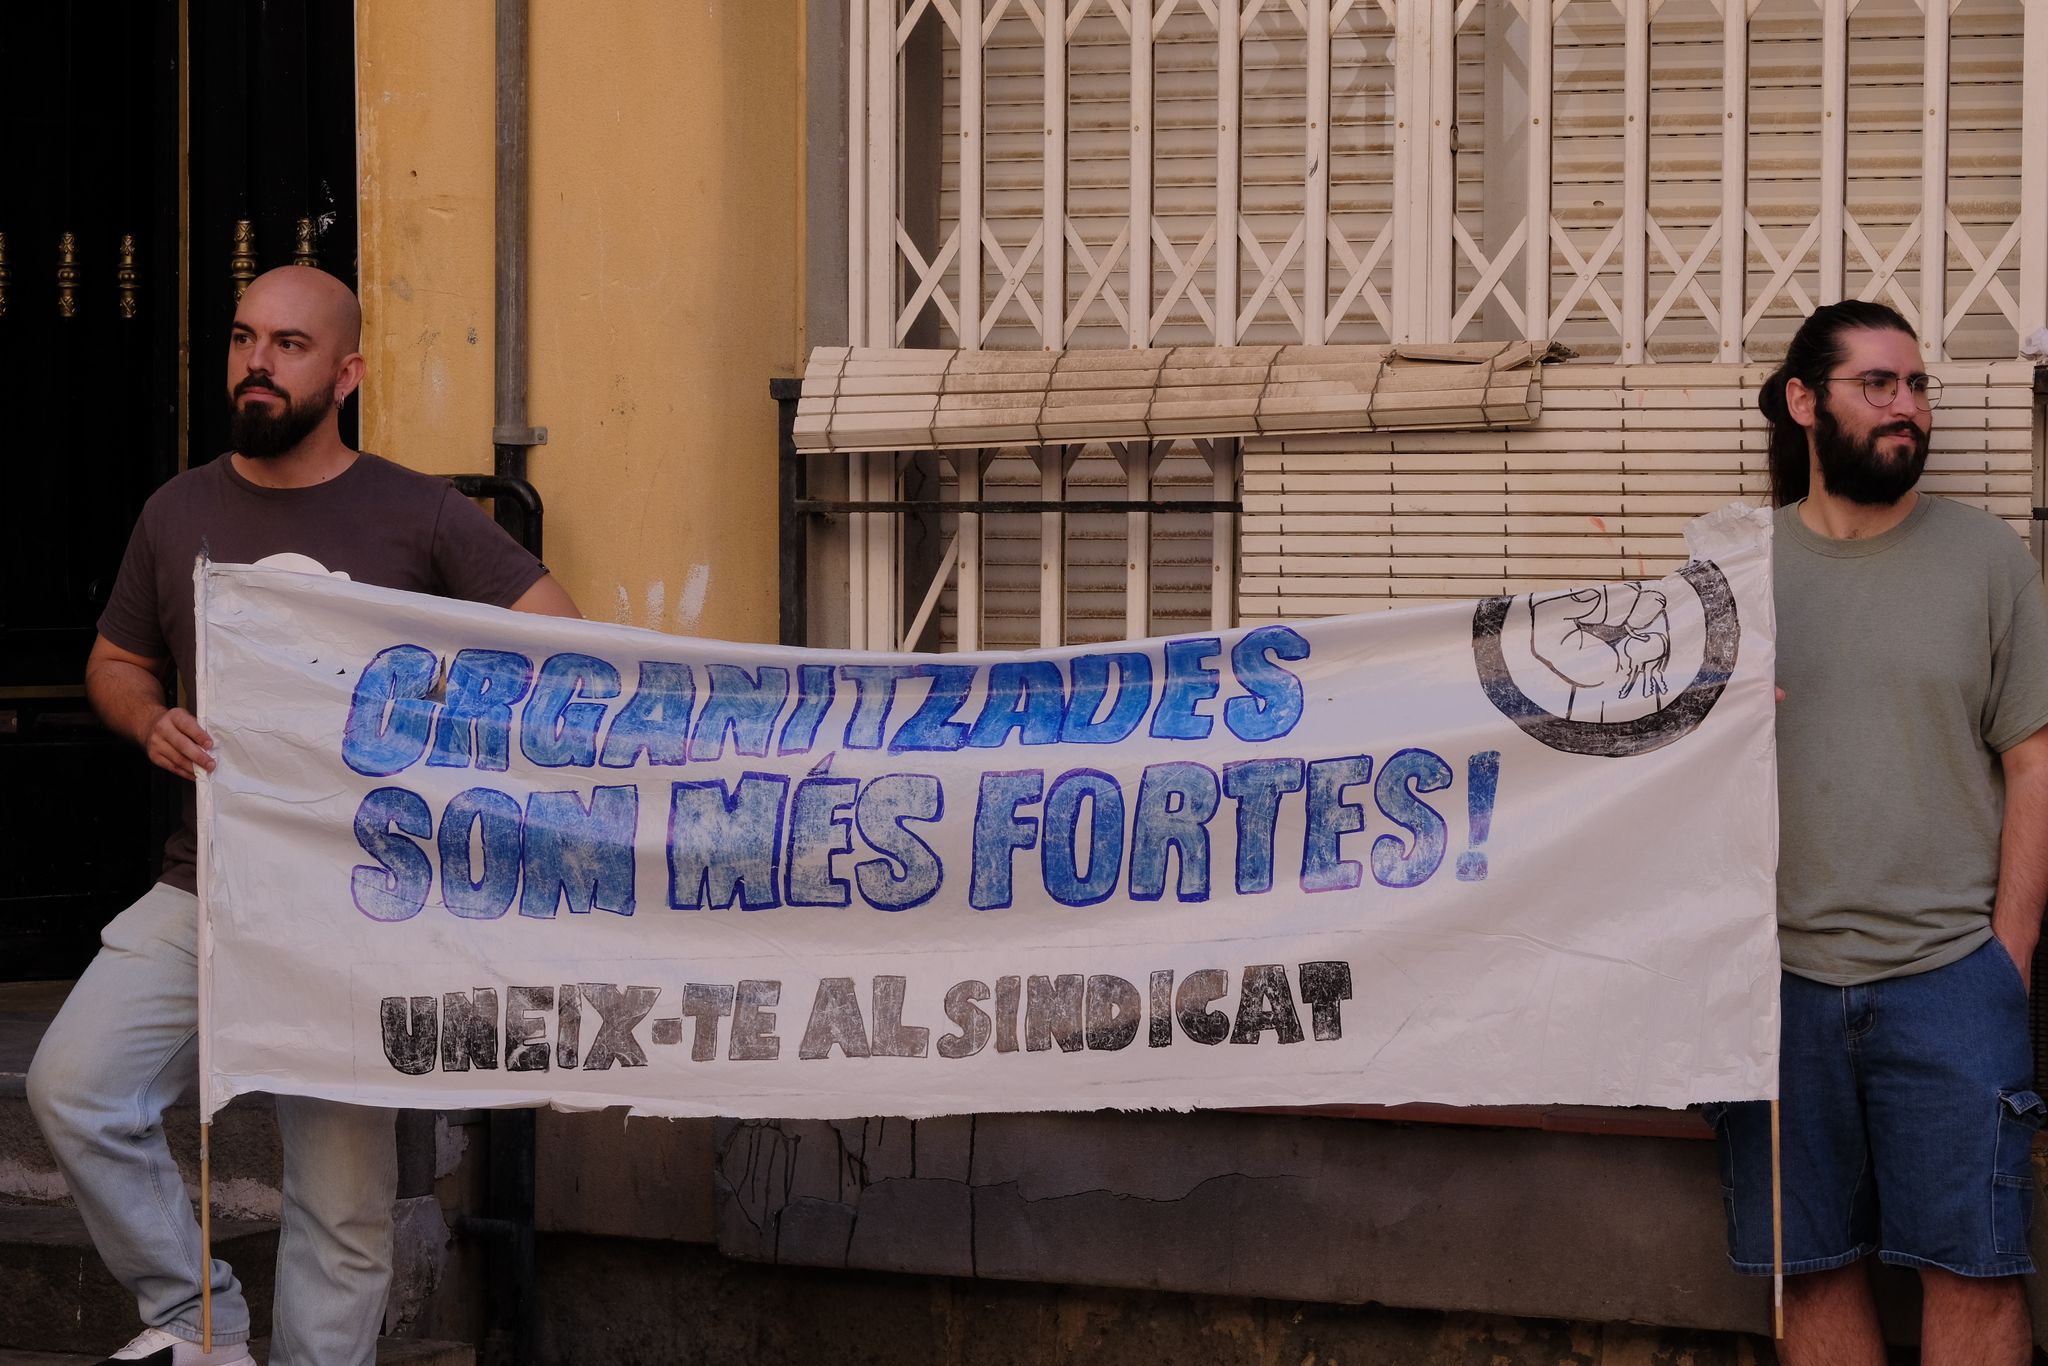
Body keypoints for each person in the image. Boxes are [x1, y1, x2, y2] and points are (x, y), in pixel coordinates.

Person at [26, 265, 580, 1366]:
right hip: (213, 885)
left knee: (341, 1200)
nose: (256, 364)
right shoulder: (177, 509)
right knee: (73, 1086)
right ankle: (201, 1322)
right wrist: (148, 723)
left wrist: (424, 719)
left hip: (351, 905)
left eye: (287, 344)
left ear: (347, 372)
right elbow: (115, 659)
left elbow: (550, 636)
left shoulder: (416, 511)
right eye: (242, 339)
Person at [1709, 298, 2048, 1364]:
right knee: (1805, 1275)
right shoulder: (1730, 577)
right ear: (1803, 402)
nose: (1907, 409)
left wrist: (2007, 958)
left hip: (1950, 977)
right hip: (1770, 985)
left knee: (1978, 1273)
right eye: (1878, 385)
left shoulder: (1987, 561)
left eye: (1916, 387)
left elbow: (2032, 762)